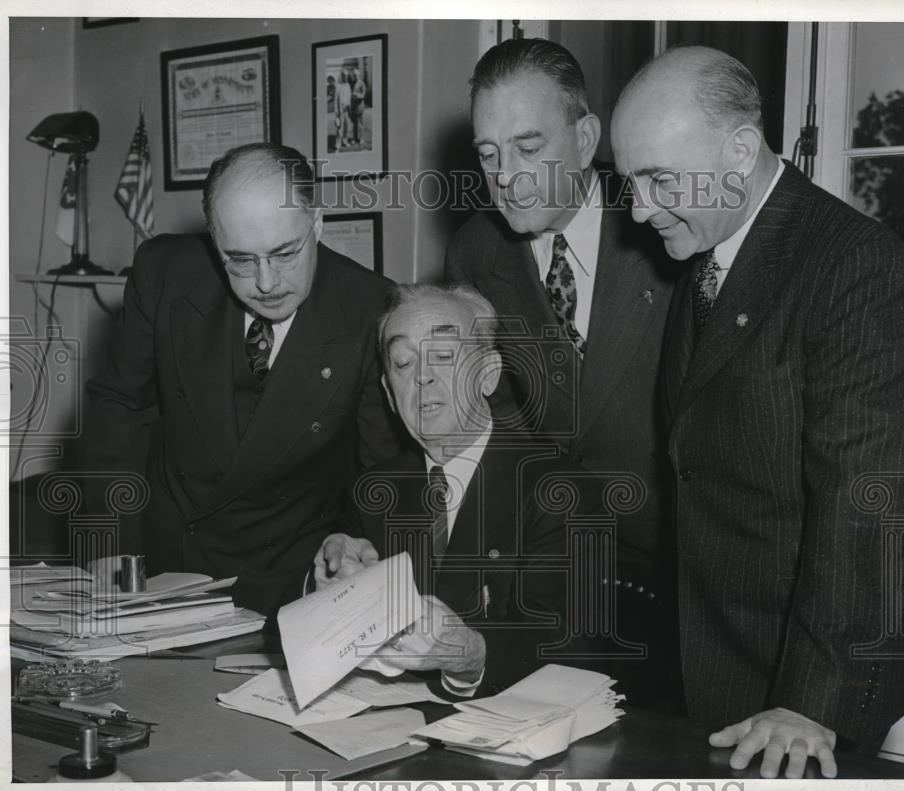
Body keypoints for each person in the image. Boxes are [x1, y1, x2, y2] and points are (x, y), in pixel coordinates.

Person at [610, 45, 904, 778]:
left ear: (740, 151)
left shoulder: (855, 266)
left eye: (659, 178)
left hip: (814, 684)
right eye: (631, 182)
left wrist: (811, 701)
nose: (638, 208)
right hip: (716, 664)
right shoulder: (704, 258)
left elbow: (868, 503)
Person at [444, 37, 679, 708]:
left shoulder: (665, 227)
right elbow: (497, 427)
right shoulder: (475, 250)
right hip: (552, 576)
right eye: (488, 155)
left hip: (677, 571)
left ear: (584, 138)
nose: (506, 175)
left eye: (527, 146)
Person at [84, 142, 403, 618]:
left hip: (290, 581)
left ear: (316, 224)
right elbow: (117, 409)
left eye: (285, 253)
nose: (267, 282)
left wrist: (363, 565)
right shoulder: (165, 273)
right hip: (160, 568)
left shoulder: (371, 308)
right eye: (240, 260)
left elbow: (382, 473)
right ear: (215, 242)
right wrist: (112, 556)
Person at [313, 284, 606, 696]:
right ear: (389, 396)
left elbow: (572, 647)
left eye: (445, 356)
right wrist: (327, 583)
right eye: (403, 362)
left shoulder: (560, 492)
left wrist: (472, 656)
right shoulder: (375, 490)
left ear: (488, 375)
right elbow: (333, 611)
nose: (422, 375)